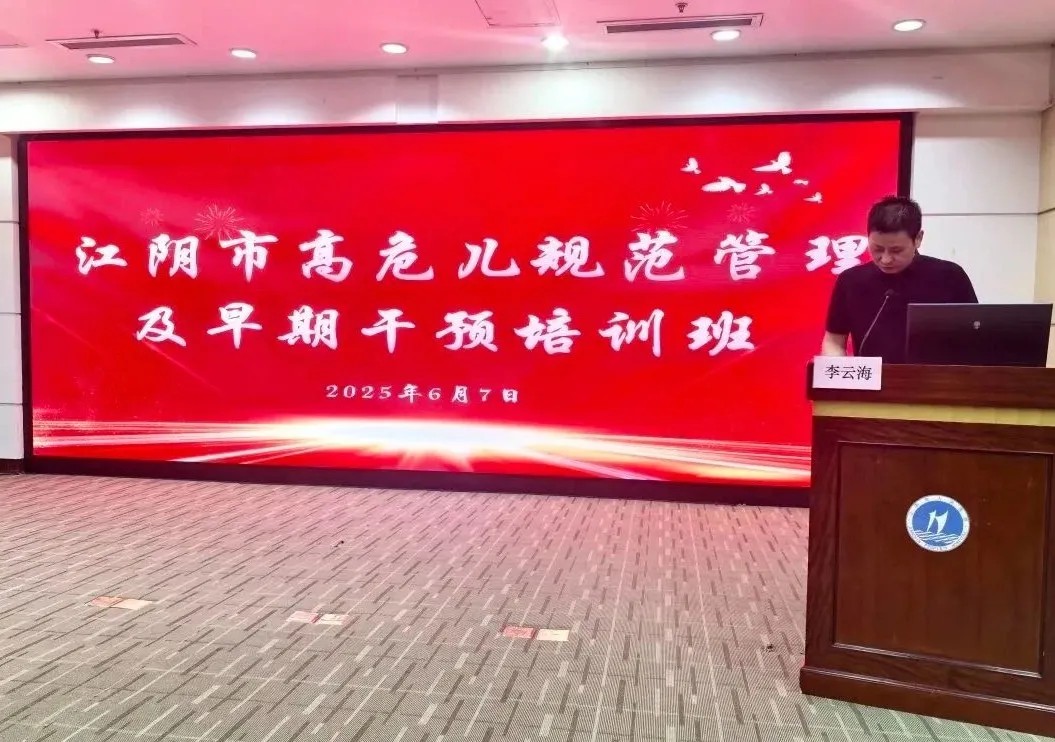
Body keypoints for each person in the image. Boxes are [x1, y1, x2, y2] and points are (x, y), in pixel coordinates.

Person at [821, 196, 977, 363]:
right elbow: (834, 341)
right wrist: (837, 371)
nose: (886, 259)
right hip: (872, 377)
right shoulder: (851, 281)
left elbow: (974, 337)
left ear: (918, 239)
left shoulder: (950, 276)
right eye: (877, 249)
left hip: (936, 377)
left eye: (896, 250)